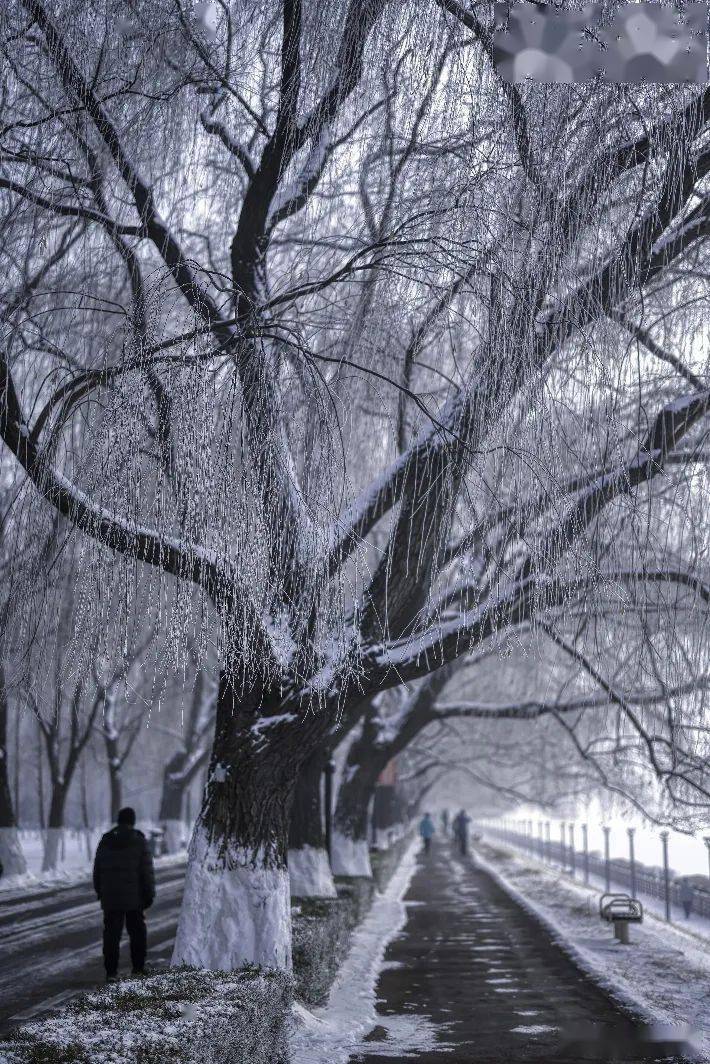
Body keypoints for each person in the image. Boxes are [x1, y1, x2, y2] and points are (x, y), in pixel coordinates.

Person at [93, 807, 155, 982]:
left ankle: (111, 972)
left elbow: (97, 870)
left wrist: (101, 892)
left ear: (118, 821)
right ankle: (138, 968)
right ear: (133, 821)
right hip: (134, 899)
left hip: (110, 898)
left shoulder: (105, 840)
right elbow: (147, 872)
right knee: (137, 933)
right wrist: (149, 894)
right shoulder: (139, 841)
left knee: (112, 935)